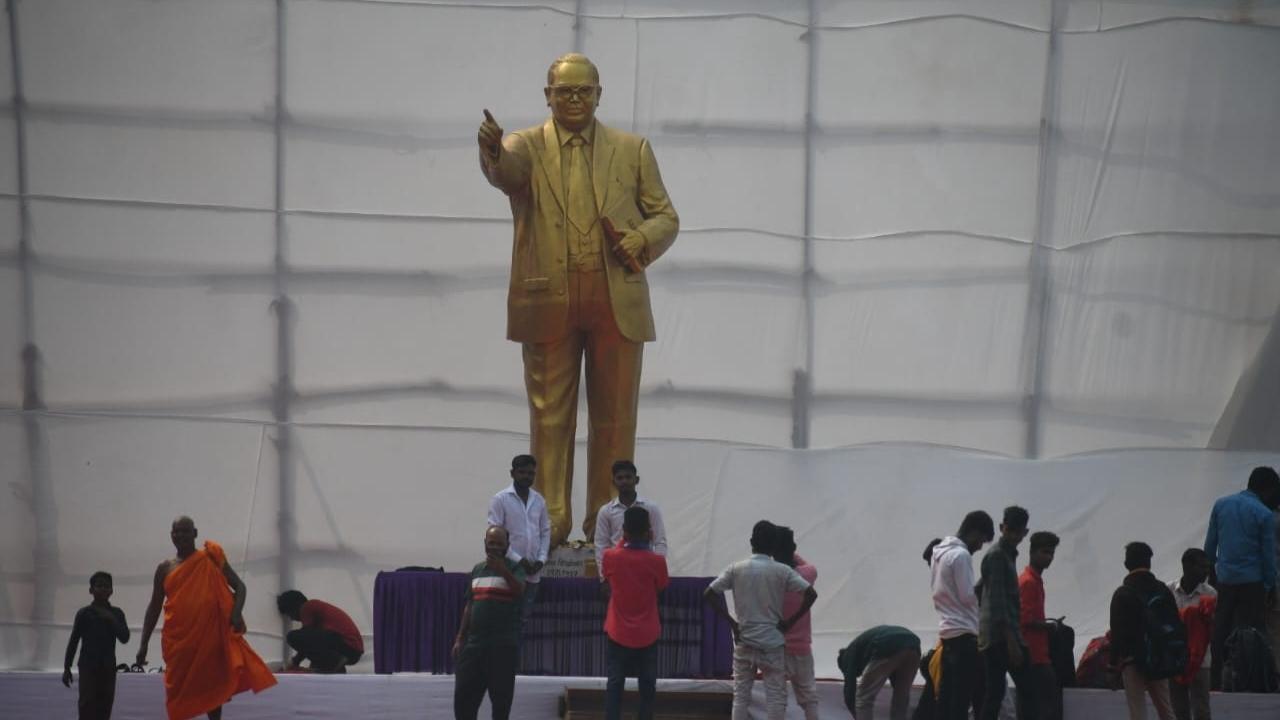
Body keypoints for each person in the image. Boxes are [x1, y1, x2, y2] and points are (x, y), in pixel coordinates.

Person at [477, 52, 680, 548]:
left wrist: (642, 239)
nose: (573, 99)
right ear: (547, 95)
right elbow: (509, 172)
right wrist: (493, 155)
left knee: (615, 417)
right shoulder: (525, 145)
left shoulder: (632, 149)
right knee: (549, 418)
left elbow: (666, 216)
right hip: (550, 298)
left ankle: (606, 528)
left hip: (617, 297)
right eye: (563, 91)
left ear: (598, 94)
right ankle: (550, 529)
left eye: (583, 90)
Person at [136, 516, 276, 720]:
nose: (181, 535)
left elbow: (240, 587)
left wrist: (236, 614)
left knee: (212, 688)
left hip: (209, 637)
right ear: (171, 535)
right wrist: (143, 644)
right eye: (177, 531)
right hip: (178, 642)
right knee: (177, 689)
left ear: (195, 533)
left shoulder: (211, 558)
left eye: (185, 531)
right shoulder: (164, 568)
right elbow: (154, 606)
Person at [705, 521, 818, 720]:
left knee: (740, 696)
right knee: (775, 698)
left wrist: (732, 624)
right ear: (773, 547)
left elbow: (709, 593)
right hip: (772, 643)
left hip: (745, 640)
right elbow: (811, 594)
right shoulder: (783, 572)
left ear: (751, 542)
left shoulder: (736, 569)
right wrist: (789, 622)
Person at [1203, 465, 1279, 689]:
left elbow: (1210, 547)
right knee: (1252, 635)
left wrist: (1212, 574)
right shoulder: (1263, 514)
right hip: (1252, 585)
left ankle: (1216, 682)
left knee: (1221, 633)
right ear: (1267, 489)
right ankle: (1251, 682)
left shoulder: (1221, 505)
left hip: (1225, 582)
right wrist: (1270, 587)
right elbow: (1267, 557)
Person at [601, 506, 670, 720]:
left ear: (624, 531)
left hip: (617, 630)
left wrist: (624, 541)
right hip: (647, 631)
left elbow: (609, 578)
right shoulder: (657, 561)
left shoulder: (610, 557)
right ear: (650, 532)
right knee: (647, 686)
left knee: (615, 684)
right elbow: (661, 587)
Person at [452, 526, 528, 720]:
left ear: (507, 546)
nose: (494, 547)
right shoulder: (477, 570)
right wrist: (460, 638)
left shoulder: (515, 568)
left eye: (499, 544)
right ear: (485, 544)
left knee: (500, 706)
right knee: (463, 702)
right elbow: (470, 604)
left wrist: (503, 571)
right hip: (474, 646)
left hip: (502, 649)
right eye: (491, 543)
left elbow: (520, 591)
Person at [931, 510, 995, 720]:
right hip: (966, 635)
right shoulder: (961, 555)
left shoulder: (938, 552)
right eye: (982, 541)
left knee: (947, 699)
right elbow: (967, 596)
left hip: (947, 633)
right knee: (963, 700)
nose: (979, 547)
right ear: (975, 532)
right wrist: (983, 589)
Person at [979, 506, 1035, 720]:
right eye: (1010, 530)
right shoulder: (998, 556)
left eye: (1018, 532)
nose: (1013, 536)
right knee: (1028, 691)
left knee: (994, 695)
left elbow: (981, 589)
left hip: (994, 636)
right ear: (1002, 527)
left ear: (1024, 532)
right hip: (1002, 637)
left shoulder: (1004, 555)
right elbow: (998, 603)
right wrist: (1012, 642)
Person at [1109, 542, 1176, 720]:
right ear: (1149, 562)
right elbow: (1174, 625)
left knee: (1137, 713)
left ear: (1126, 564)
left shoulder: (1122, 593)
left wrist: (1112, 664)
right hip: (1159, 659)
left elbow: (1116, 632)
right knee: (1166, 710)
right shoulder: (1163, 590)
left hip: (1132, 660)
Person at [487, 455, 551, 623]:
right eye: (522, 472)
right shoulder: (500, 499)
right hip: (508, 570)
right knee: (503, 621)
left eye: (530, 473)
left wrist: (541, 559)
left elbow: (545, 532)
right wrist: (518, 560)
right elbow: (494, 538)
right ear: (512, 473)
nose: (526, 477)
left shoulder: (539, 501)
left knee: (522, 623)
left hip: (533, 574)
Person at [63, 571, 129, 720]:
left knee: (105, 705)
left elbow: (125, 638)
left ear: (112, 591)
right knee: (86, 705)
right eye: (99, 585)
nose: (103, 589)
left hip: (108, 667)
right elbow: (74, 641)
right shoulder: (84, 613)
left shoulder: (117, 613)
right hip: (87, 666)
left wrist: (111, 619)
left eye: (106, 586)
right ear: (91, 590)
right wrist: (67, 667)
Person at [771, 526, 819, 720]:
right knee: (809, 697)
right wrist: (791, 552)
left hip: (775, 647)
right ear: (793, 547)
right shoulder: (807, 575)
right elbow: (806, 564)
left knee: (777, 698)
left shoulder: (769, 577)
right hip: (802, 647)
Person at [594, 460, 668, 571]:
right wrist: (604, 577)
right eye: (620, 478)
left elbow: (660, 542)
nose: (624, 481)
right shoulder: (606, 511)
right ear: (613, 482)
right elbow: (601, 546)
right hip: (617, 569)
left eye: (628, 477)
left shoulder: (651, 508)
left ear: (636, 480)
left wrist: (656, 568)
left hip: (645, 568)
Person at [1168, 549, 1215, 720]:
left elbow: (1212, 629)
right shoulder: (1169, 591)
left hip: (1201, 659)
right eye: (1202, 567)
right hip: (1176, 659)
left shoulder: (1210, 594)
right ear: (1186, 566)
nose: (1207, 571)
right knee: (1178, 710)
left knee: (1202, 710)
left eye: (1207, 567)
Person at [1019, 531, 1061, 720]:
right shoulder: (1028, 582)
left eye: (1051, 553)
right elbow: (1024, 619)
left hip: (1037, 653)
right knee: (1044, 706)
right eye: (1045, 552)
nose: (1049, 557)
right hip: (1033, 655)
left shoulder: (1034, 580)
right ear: (1033, 552)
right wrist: (1049, 627)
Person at [838, 625, 922, 720]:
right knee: (901, 697)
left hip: (888, 644)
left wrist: (855, 714)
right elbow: (894, 676)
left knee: (863, 698)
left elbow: (849, 689)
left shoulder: (847, 656)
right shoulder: (862, 648)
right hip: (913, 645)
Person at [276, 590, 364, 673]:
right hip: (352, 651)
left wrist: (294, 662)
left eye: (289, 614)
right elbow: (311, 645)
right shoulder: (318, 614)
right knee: (315, 652)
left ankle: (332, 663)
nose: (291, 619)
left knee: (293, 637)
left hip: (347, 645)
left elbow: (305, 639)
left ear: (294, 606)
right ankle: (336, 668)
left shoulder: (307, 606)